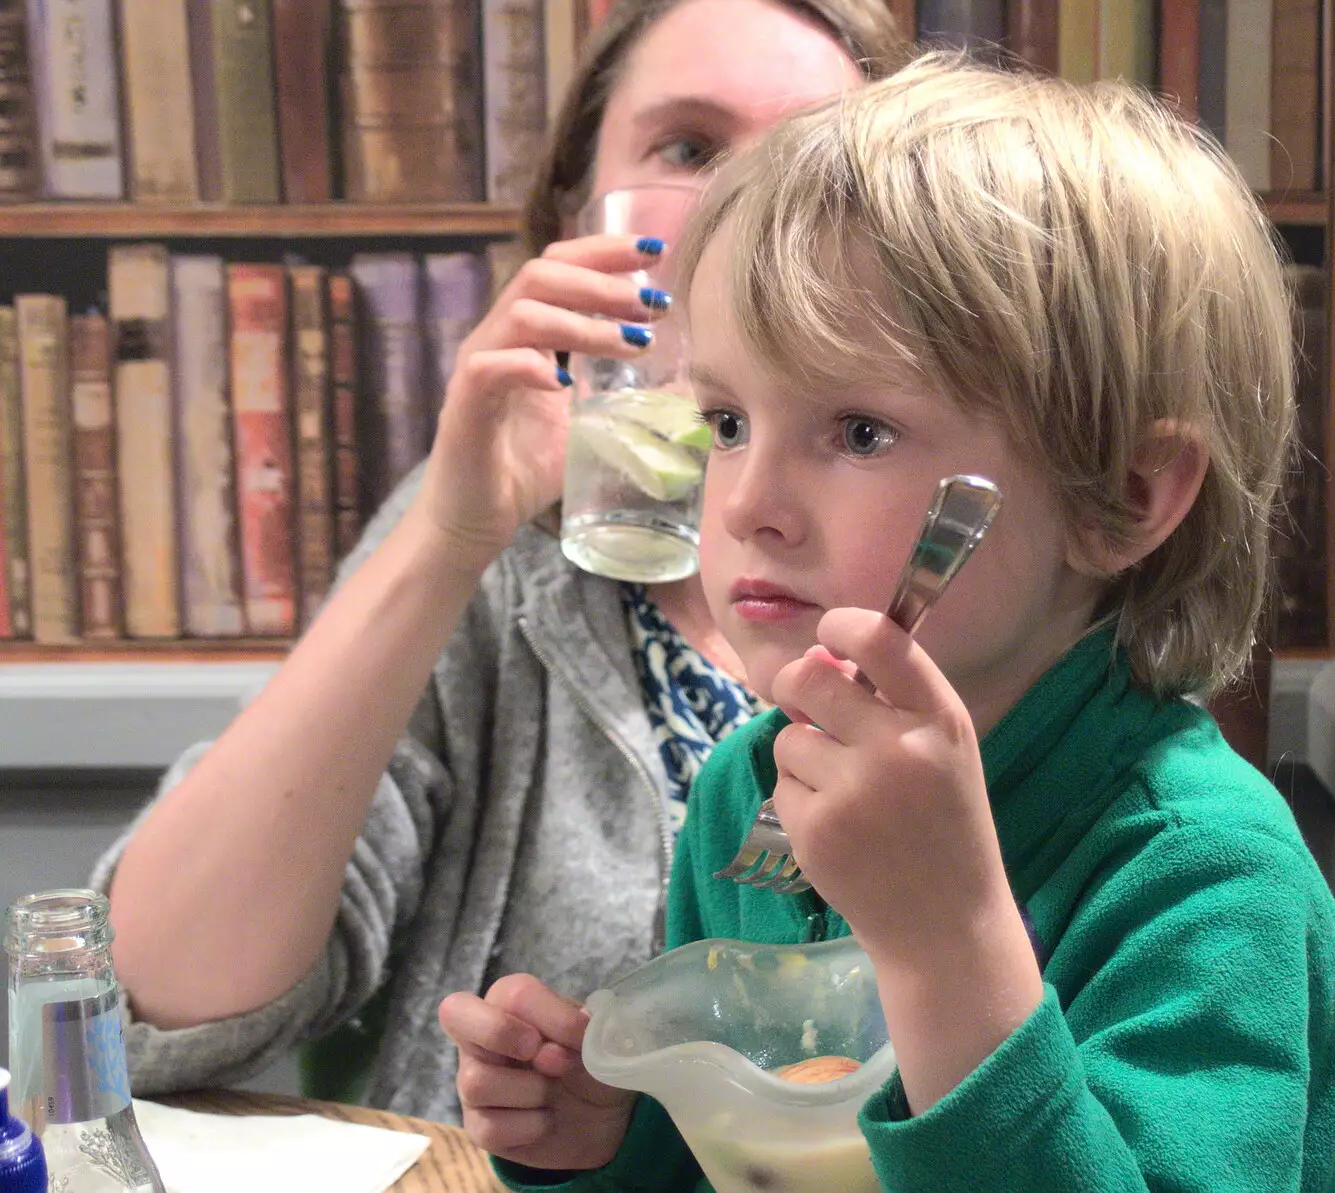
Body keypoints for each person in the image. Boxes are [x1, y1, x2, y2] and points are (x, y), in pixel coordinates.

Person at [441, 56, 1335, 1191]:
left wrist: (948, 948)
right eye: (727, 419)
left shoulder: (1204, 880)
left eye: (860, 432)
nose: (746, 505)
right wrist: (611, 1137)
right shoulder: (754, 785)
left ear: (1124, 495)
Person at [90, 0, 908, 1125]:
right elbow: (157, 1011)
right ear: (577, 217)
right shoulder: (499, 553)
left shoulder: (968, 574)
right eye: (687, 149)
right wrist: (446, 531)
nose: (738, 207)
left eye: (806, 160)